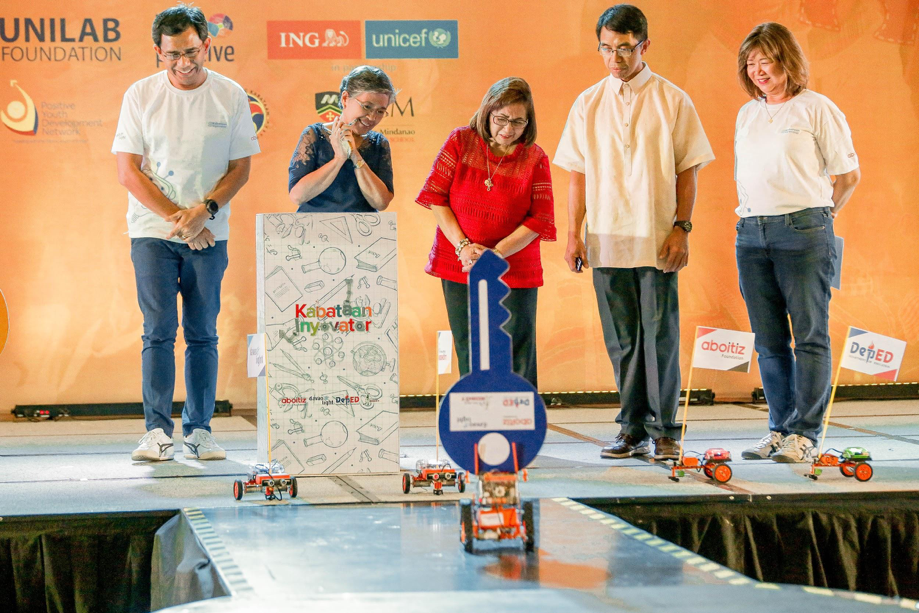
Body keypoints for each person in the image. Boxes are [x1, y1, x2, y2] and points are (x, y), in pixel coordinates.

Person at [554, 5, 714, 460]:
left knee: (659, 335)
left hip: (657, 236)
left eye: (625, 48)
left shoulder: (673, 99)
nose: (615, 58)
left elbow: (689, 170)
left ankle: (665, 429)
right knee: (622, 340)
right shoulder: (587, 102)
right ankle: (631, 428)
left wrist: (682, 228)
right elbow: (577, 175)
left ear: (644, 45)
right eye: (607, 48)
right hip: (605, 239)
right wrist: (574, 233)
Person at [113, 5, 259, 461]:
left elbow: (240, 168)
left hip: (210, 234)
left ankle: (199, 432)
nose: (184, 62)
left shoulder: (231, 95)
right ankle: (156, 432)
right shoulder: (140, 95)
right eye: (173, 54)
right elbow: (128, 172)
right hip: (152, 233)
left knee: (202, 333)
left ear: (206, 45)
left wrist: (206, 211)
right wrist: (183, 218)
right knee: (158, 331)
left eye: (192, 51)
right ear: (159, 51)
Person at [735, 23, 860, 463]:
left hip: (804, 232)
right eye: (750, 63)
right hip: (750, 233)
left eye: (765, 60)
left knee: (809, 335)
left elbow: (847, 176)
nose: (758, 70)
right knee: (768, 341)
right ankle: (779, 428)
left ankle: (805, 434)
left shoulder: (816, 108)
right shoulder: (747, 114)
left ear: (786, 60)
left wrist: (821, 217)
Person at [417, 77, 555, 387]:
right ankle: (477, 426)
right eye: (501, 119)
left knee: (516, 348)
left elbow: (540, 218)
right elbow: (436, 197)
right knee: (470, 346)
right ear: (487, 113)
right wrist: (465, 247)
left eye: (518, 122)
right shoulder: (460, 141)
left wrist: (495, 255)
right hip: (459, 263)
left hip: (514, 266)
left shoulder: (534, 157)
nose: (508, 128)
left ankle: (520, 427)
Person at [288, 65, 395, 212]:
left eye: (380, 111)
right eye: (366, 106)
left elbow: (380, 203)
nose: (372, 117)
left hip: (363, 231)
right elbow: (298, 196)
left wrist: (355, 155)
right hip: (314, 229)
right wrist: (339, 158)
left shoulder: (378, 143)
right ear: (345, 99)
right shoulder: (314, 135)